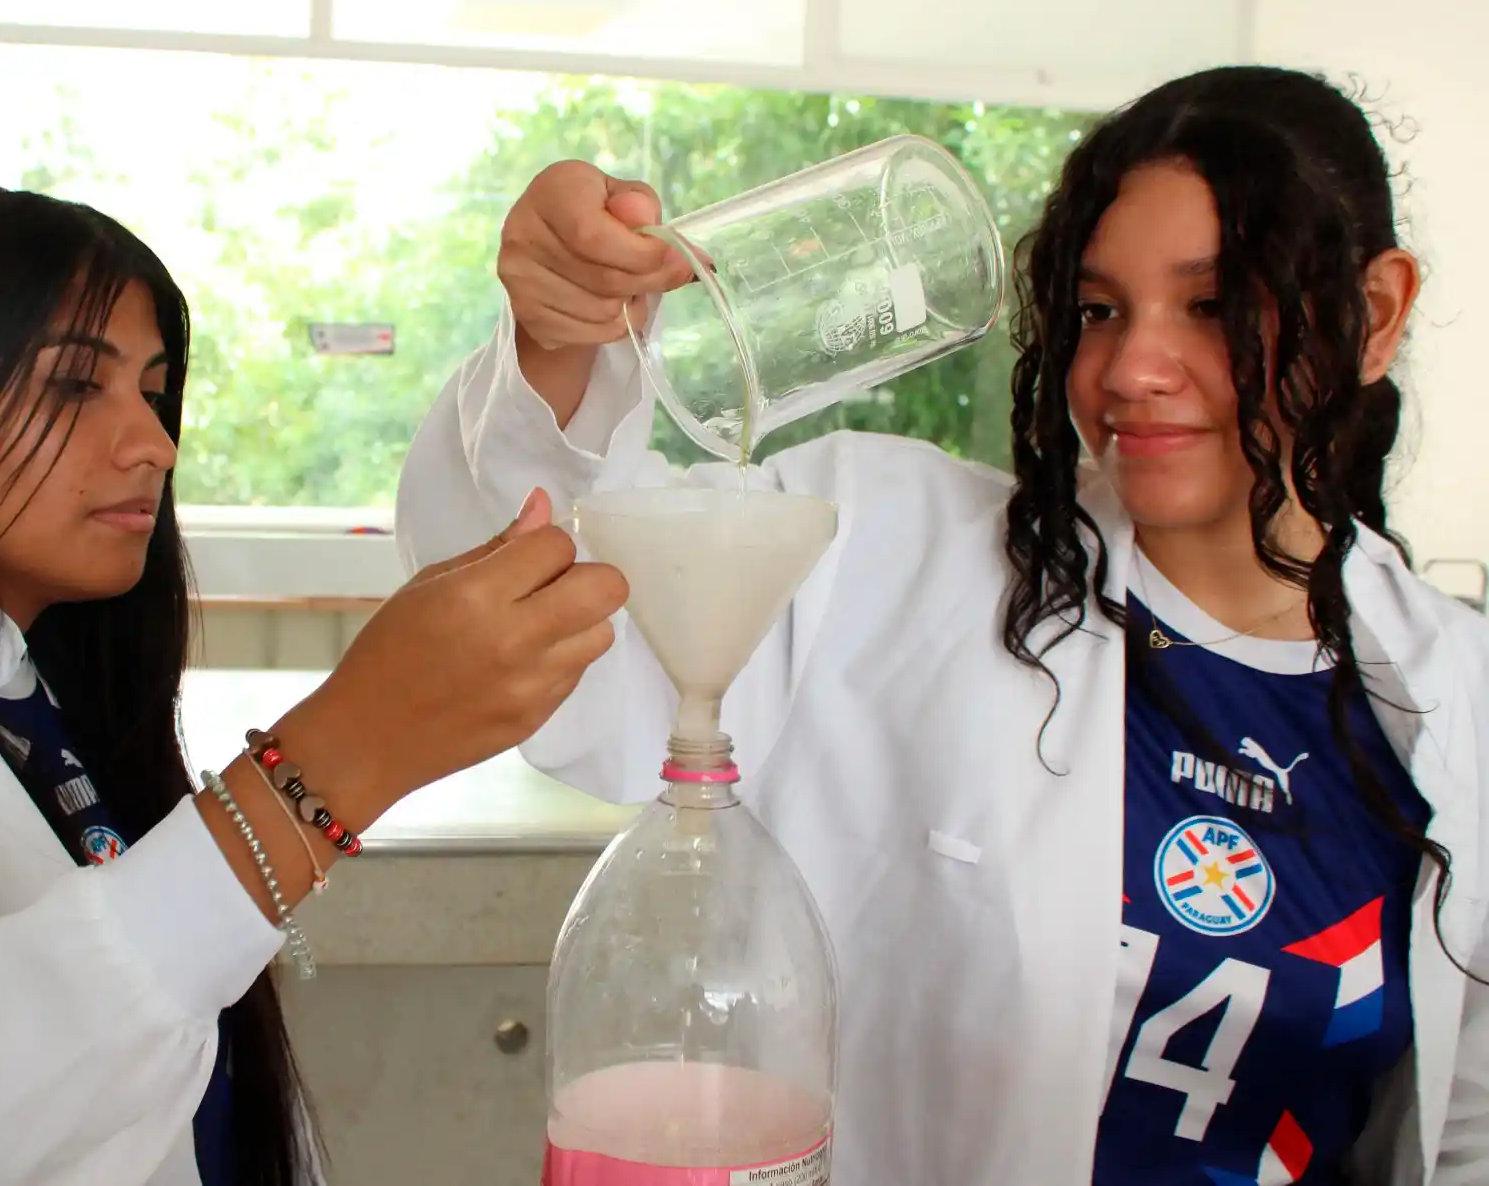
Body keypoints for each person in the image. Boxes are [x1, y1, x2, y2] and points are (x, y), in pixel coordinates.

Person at [396, 66, 1489, 1183]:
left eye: (1213, 306)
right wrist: (561, 342)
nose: (1133, 369)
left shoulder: (1462, 708)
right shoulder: (884, 548)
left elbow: (1460, 1128)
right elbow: (534, 622)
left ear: (1379, 312)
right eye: (1100, 309)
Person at [0, 185, 626, 1185]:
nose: (153, 442)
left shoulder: (39, 706)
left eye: (153, 393)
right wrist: (329, 767)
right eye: (75, 385)